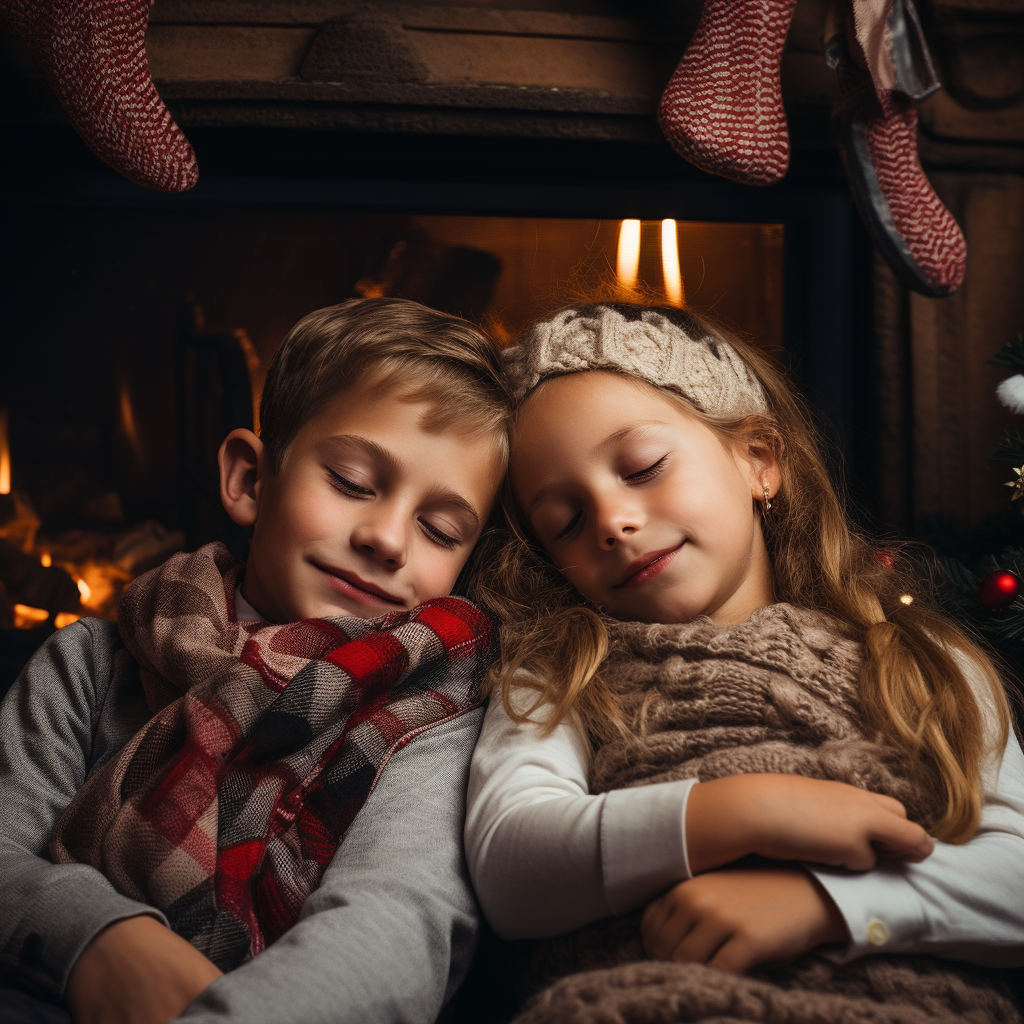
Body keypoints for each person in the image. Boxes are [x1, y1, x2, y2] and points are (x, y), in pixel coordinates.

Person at [466, 302, 1024, 1023]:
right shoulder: (561, 673)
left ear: (757, 460)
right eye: (565, 522)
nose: (611, 520)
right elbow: (510, 868)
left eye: (643, 467)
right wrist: (746, 811)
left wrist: (830, 905)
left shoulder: (920, 660)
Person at [0, 297, 512, 1024]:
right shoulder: (89, 664)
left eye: (438, 527)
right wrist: (101, 941)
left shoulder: (433, 725)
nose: (389, 538)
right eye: (352, 484)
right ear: (249, 479)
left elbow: (390, 929)